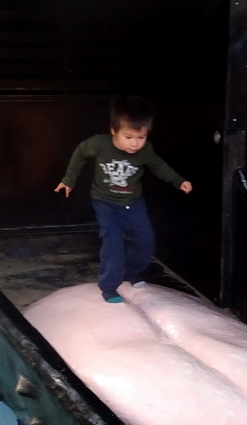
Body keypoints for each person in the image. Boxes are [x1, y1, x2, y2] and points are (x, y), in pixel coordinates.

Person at [55, 95, 192, 303]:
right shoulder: (99, 144)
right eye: (128, 137)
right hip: (105, 203)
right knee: (113, 244)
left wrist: (177, 180)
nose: (135, 144)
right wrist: (69, 180)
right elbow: (80, 153)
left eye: (141, 137)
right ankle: (109, 287)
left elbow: (159, 165)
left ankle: (132, 271)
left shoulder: (146, 150)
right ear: (113, 131)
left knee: (146, 242)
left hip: (133, 203)